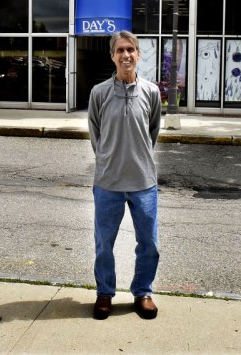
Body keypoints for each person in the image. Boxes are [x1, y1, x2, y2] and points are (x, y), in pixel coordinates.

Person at [88, 30, 162, 320]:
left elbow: (152, 131)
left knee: (149, 244)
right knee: (104, 244)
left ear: (138, 54)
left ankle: (142, 292)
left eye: (130, 49)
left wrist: (137, 157)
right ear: (112, 56)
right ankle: (105, 293)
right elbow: (96, 134)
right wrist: (108, 158)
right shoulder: (100, 93)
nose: (126, 55)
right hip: (108, 183)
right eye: (120, 50)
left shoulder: (151, 92)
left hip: (144, 183)